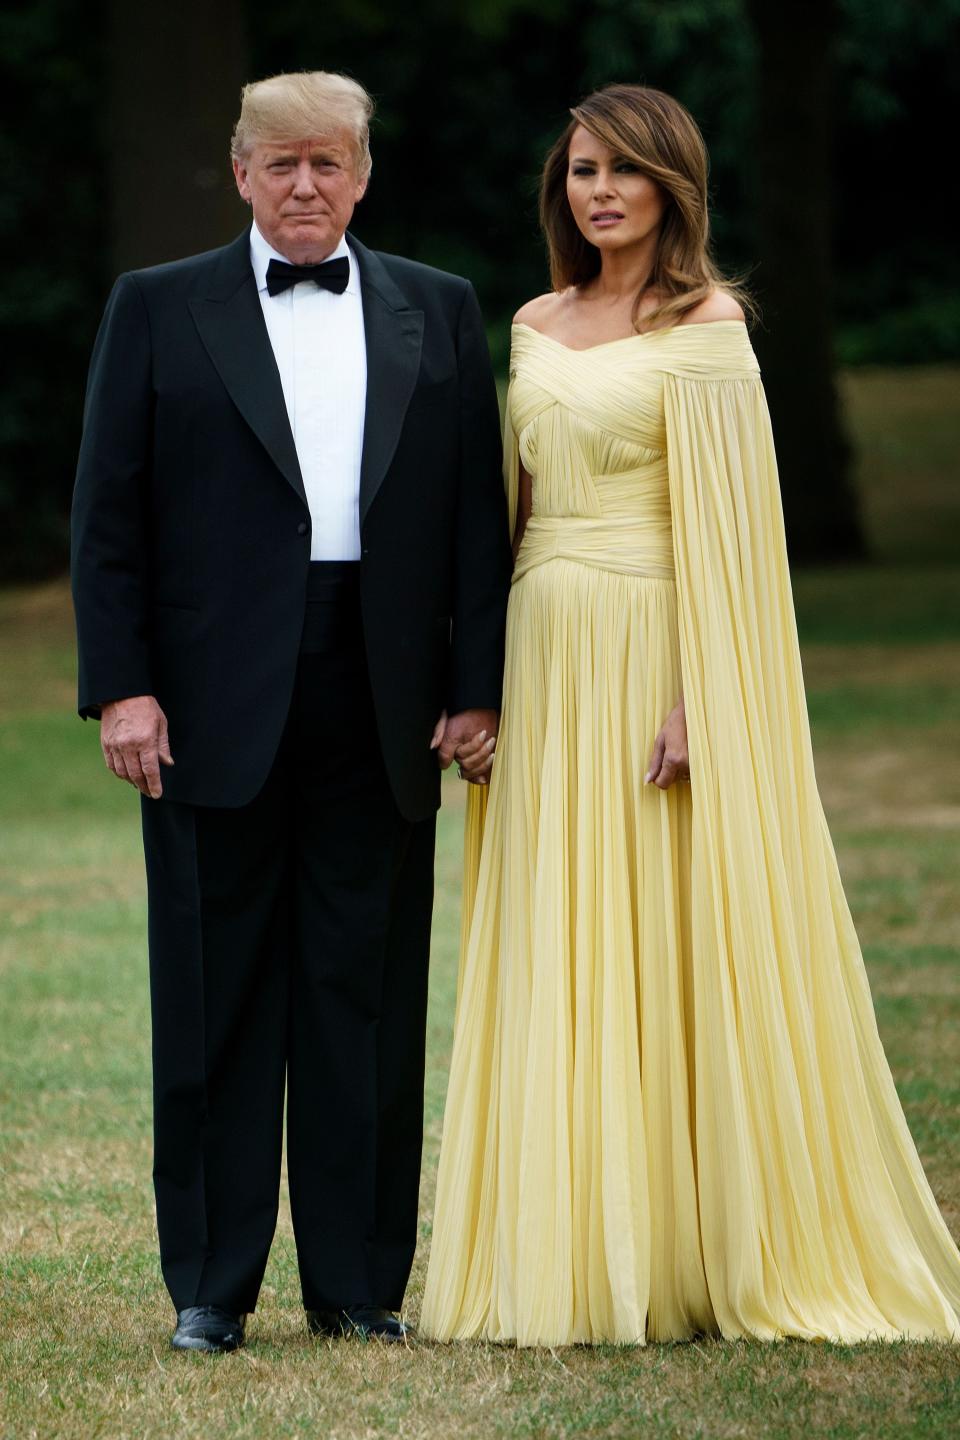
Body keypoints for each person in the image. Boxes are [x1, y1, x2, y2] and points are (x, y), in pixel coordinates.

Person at [420, 83, 960, 1346]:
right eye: (580, 170)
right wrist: (478, 685)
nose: (596, 190)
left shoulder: (709, 324)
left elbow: (740, 545)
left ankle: (687, 1246)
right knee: (559, 926)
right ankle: (566, 1239)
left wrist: (702, 696)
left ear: (675, 186)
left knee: (661, 935)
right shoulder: (535, 321)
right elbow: (504, 514)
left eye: (623, 171)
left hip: (656, 645)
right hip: (546, 653)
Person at [71, 70, 511, 1353]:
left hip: (383, 691)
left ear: (363, 175)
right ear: (241, 172)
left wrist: (474, 685)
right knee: (213, 993)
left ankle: (359, 1283)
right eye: (281, 164)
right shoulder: (155, 308)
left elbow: (477, 518)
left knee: (360, 992)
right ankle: (211, 1287)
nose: (305, 185)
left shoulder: (441, 308)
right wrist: (124, 685)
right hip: (206, 698)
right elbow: (108, 518)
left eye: (328, 164)